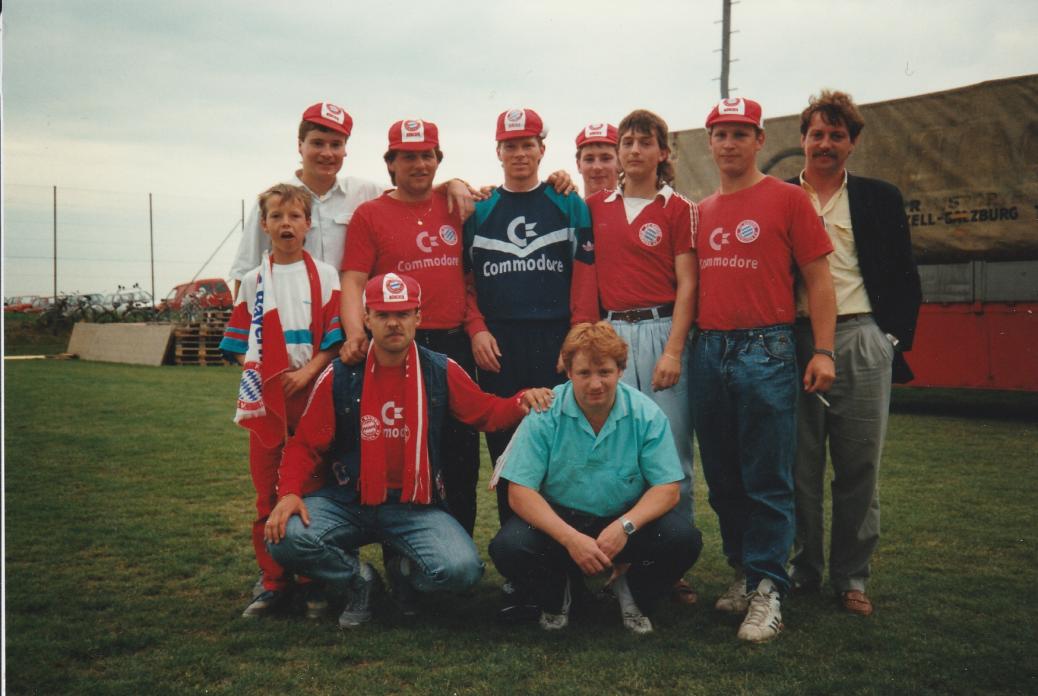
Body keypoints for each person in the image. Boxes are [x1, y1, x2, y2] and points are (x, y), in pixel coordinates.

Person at [265, 273, 554, 628]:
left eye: (402, 314)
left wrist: (522, 399)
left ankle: (402, 572)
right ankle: (360, 580)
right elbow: (304, 445)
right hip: (347, 500)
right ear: (367, 318)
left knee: (462, 570)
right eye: (383, 314)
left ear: (418, 317)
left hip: (412, 505)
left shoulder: (440, 369)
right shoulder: (339, 374)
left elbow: (486, 412)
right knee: (284, 536)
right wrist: (289, 493)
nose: (393, 323)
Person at [690, 97, 837, 643]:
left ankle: (771, 589)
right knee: (724, 478)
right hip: (710, 350)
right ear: (710, 143)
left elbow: (819, 280)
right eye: (719, 135)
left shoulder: (789, 200)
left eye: (739, 134)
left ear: (758, 140)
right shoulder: (698, 211)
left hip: (767, 347)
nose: (728, 144)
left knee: (768, 477)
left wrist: (823, 350)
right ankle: (744, 573)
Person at [787, 90, 922, 616]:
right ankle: (803, 568)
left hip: (862, 337)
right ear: (802, 139)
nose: (825, 144)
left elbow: (907, 277)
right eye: (817, 134)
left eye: (836, 135)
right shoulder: (780, 195)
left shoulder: (878, 198)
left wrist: (888, 341)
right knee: (798, 465)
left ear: (853, 142)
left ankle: (851, 577)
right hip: (795, 340)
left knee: (858, 466)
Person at [489, 322, 702, 633]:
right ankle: (557, 594)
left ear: (620, 370)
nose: (595, 384)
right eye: (584, 373)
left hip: (622, 521)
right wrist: (570, 539)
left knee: (684, 540)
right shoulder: (545, 412)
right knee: (509, 547)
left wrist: (625, 526)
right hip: (561, 522)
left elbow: (668, 488)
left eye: (604, 372)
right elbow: (519, 492)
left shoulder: (646, 413)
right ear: (568, 372)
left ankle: (632, 593)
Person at [338, 118, 484, 536]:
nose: (418, 164)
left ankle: (458, 555)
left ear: (438, 160)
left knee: (459, 454)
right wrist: (355, 333)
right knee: (404, 453)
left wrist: (456, 182)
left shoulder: (456, 204)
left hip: (452, 345)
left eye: (427, 155)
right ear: (391, 162)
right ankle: (407, 567)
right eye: (408, 156)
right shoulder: (370, 214)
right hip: (400, 346)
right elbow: (353, 279)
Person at [463, 107, 599, 526]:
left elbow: (585, 276)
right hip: (499, 348)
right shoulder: (479, 210)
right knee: (508, 450)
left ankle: (566, 556)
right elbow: (464, 283)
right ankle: (517, 555)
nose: (519, 154)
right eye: (510, 146)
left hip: (556, 342)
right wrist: (477, 329)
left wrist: (576, 338)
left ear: (542, 149)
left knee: (563, 450)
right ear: (498, 151)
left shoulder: (567, 203)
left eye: (527, 145)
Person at [585, 109, 699, 604]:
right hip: (612, 333)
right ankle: (619, 561)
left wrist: (673, 348)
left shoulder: (678, 208)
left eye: (644, 142)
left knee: (669, 453)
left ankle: (672, 565)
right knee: (614, 454)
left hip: (659, 328)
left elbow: (689, 282)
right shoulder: (595, 206)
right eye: (626, 142)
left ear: (663, 152)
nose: (634, 150)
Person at [219, 183, 345, 618]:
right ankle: (274, 582)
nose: (286, 224)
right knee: (266, 492)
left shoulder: (326, 275)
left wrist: (308, 372)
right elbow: (236, 343)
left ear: (309, 224)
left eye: (295, 216)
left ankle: (311, 582)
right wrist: (262, 376)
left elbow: (334, 339)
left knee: (310, 488)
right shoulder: (255, 280)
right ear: (265, 224)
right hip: (270, 400)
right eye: (277, 217)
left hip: (312, 394)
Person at [227, 103, 474, 296]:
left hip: (345, 324)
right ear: (300, 145)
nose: (327, 153)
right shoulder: (274, 202)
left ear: (346, 149)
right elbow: (245, 271)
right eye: (317, 143)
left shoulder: (364, 192)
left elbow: (412, 190)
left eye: (336, 144)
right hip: (293, 319)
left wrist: (454, 184)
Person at [575, 123, 620, 196]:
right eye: (589, 159)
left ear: (620, 163)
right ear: (578, 165)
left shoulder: (636, 206)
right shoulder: (566, 207)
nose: (597, 167)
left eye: (606, 158)